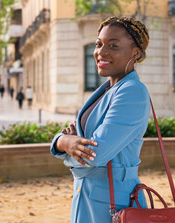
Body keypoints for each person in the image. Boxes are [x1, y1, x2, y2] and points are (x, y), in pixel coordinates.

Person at [50, 16, 150, 222]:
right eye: (99, 44)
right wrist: (64, 142)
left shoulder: (132, 92)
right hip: (87, 196)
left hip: (115, 203)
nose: (101, 52)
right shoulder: (106, 90)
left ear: (136, 52)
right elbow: (80, 143)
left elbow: (93, 154)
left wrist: (63, 143)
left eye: (113, 45)